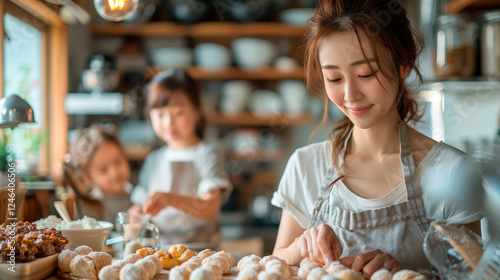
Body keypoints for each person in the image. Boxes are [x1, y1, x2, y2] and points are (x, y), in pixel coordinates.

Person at [270, 0, 484, 278]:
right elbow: (274, 264)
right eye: (334, 78)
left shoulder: (453, 173)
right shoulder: (305, 166)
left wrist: (405, 274)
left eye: (365, 74)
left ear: (403, 65)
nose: (350, 95)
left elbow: (472, 276)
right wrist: (300, 247)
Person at [130, 69, 232, 249]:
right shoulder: (153, 159)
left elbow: (210, 207)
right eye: (160, 115)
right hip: (159, 251)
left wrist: (169, 199)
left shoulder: (208, 153)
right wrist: (136, 214)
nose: (168, 123)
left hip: (201, 253)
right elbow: (140, 203)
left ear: (197, 111)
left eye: (178, 113)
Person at [63, 124, 133, 223]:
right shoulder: (87, 208)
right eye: (103, 169)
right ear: (86, 177)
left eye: (118, 161)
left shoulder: (138, 196)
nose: (114, 173)